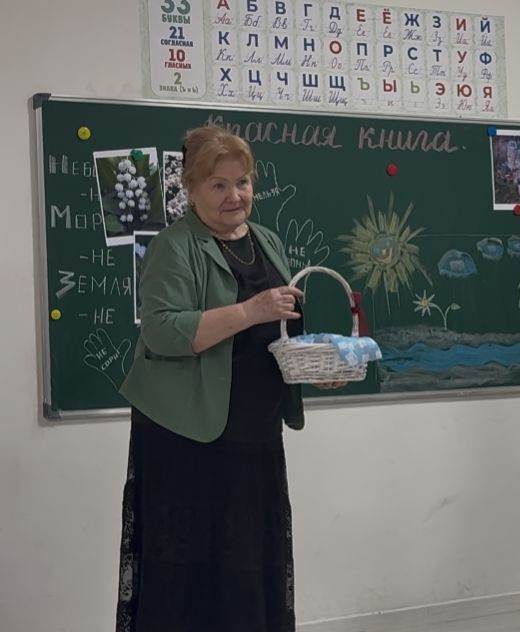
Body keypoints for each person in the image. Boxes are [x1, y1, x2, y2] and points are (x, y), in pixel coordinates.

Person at [116, 125, 342, 632]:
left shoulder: (267, 240)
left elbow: (277, 332)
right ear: (191, 190)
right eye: (218, 185)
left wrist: (313, 368)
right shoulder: (174, 246)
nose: (234, 196)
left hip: (254, 430)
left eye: (242, 182)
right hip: (187, 434)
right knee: (190, 571)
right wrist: (248, 310)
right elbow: (161, 331)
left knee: (250, 560)